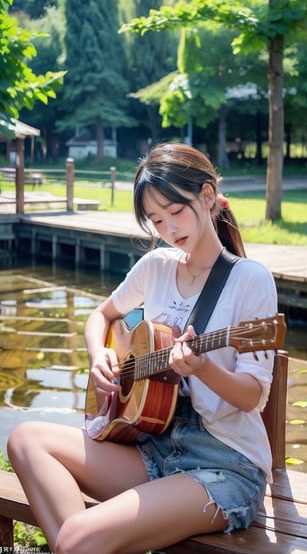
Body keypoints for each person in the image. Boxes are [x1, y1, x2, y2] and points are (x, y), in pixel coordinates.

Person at [8, 143, 278, 554]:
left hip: (224, 464)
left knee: (77, 540)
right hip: (152, 445)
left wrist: (203, 369)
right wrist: (100, 355)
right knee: (26, 440)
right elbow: (101, 315)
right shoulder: (156, 267)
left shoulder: (249, 280)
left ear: (207, 197)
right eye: (156, 219)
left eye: (176, 211)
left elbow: (253, 396)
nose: (169, 228)